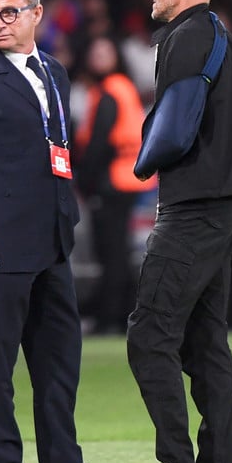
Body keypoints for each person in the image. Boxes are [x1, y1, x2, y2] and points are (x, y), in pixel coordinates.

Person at [114, 0, 232, 463]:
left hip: (195, 209)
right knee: (206, 342)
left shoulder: (185, 37)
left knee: (148, 334)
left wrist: (144, 160)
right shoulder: (223, 36)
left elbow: (176, 128)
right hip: (227, 209)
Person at [0, 0, 116, 463]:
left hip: (53, 238)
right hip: (0, 245)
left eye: (8, 12)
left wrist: (65, 219)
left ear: (35, 13)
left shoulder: (53, 70)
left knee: (59, 361)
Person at [73, 37, 154, 335]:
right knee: (117, 251)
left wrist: (86, 181)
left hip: (111, 181)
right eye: (95, 51)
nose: (99, 56)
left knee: (111, 253)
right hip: (126, 179)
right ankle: (120, 314)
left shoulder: (109, 92)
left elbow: (99, 143)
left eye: (105, 51)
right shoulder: (122, 88)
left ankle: (112, 317)